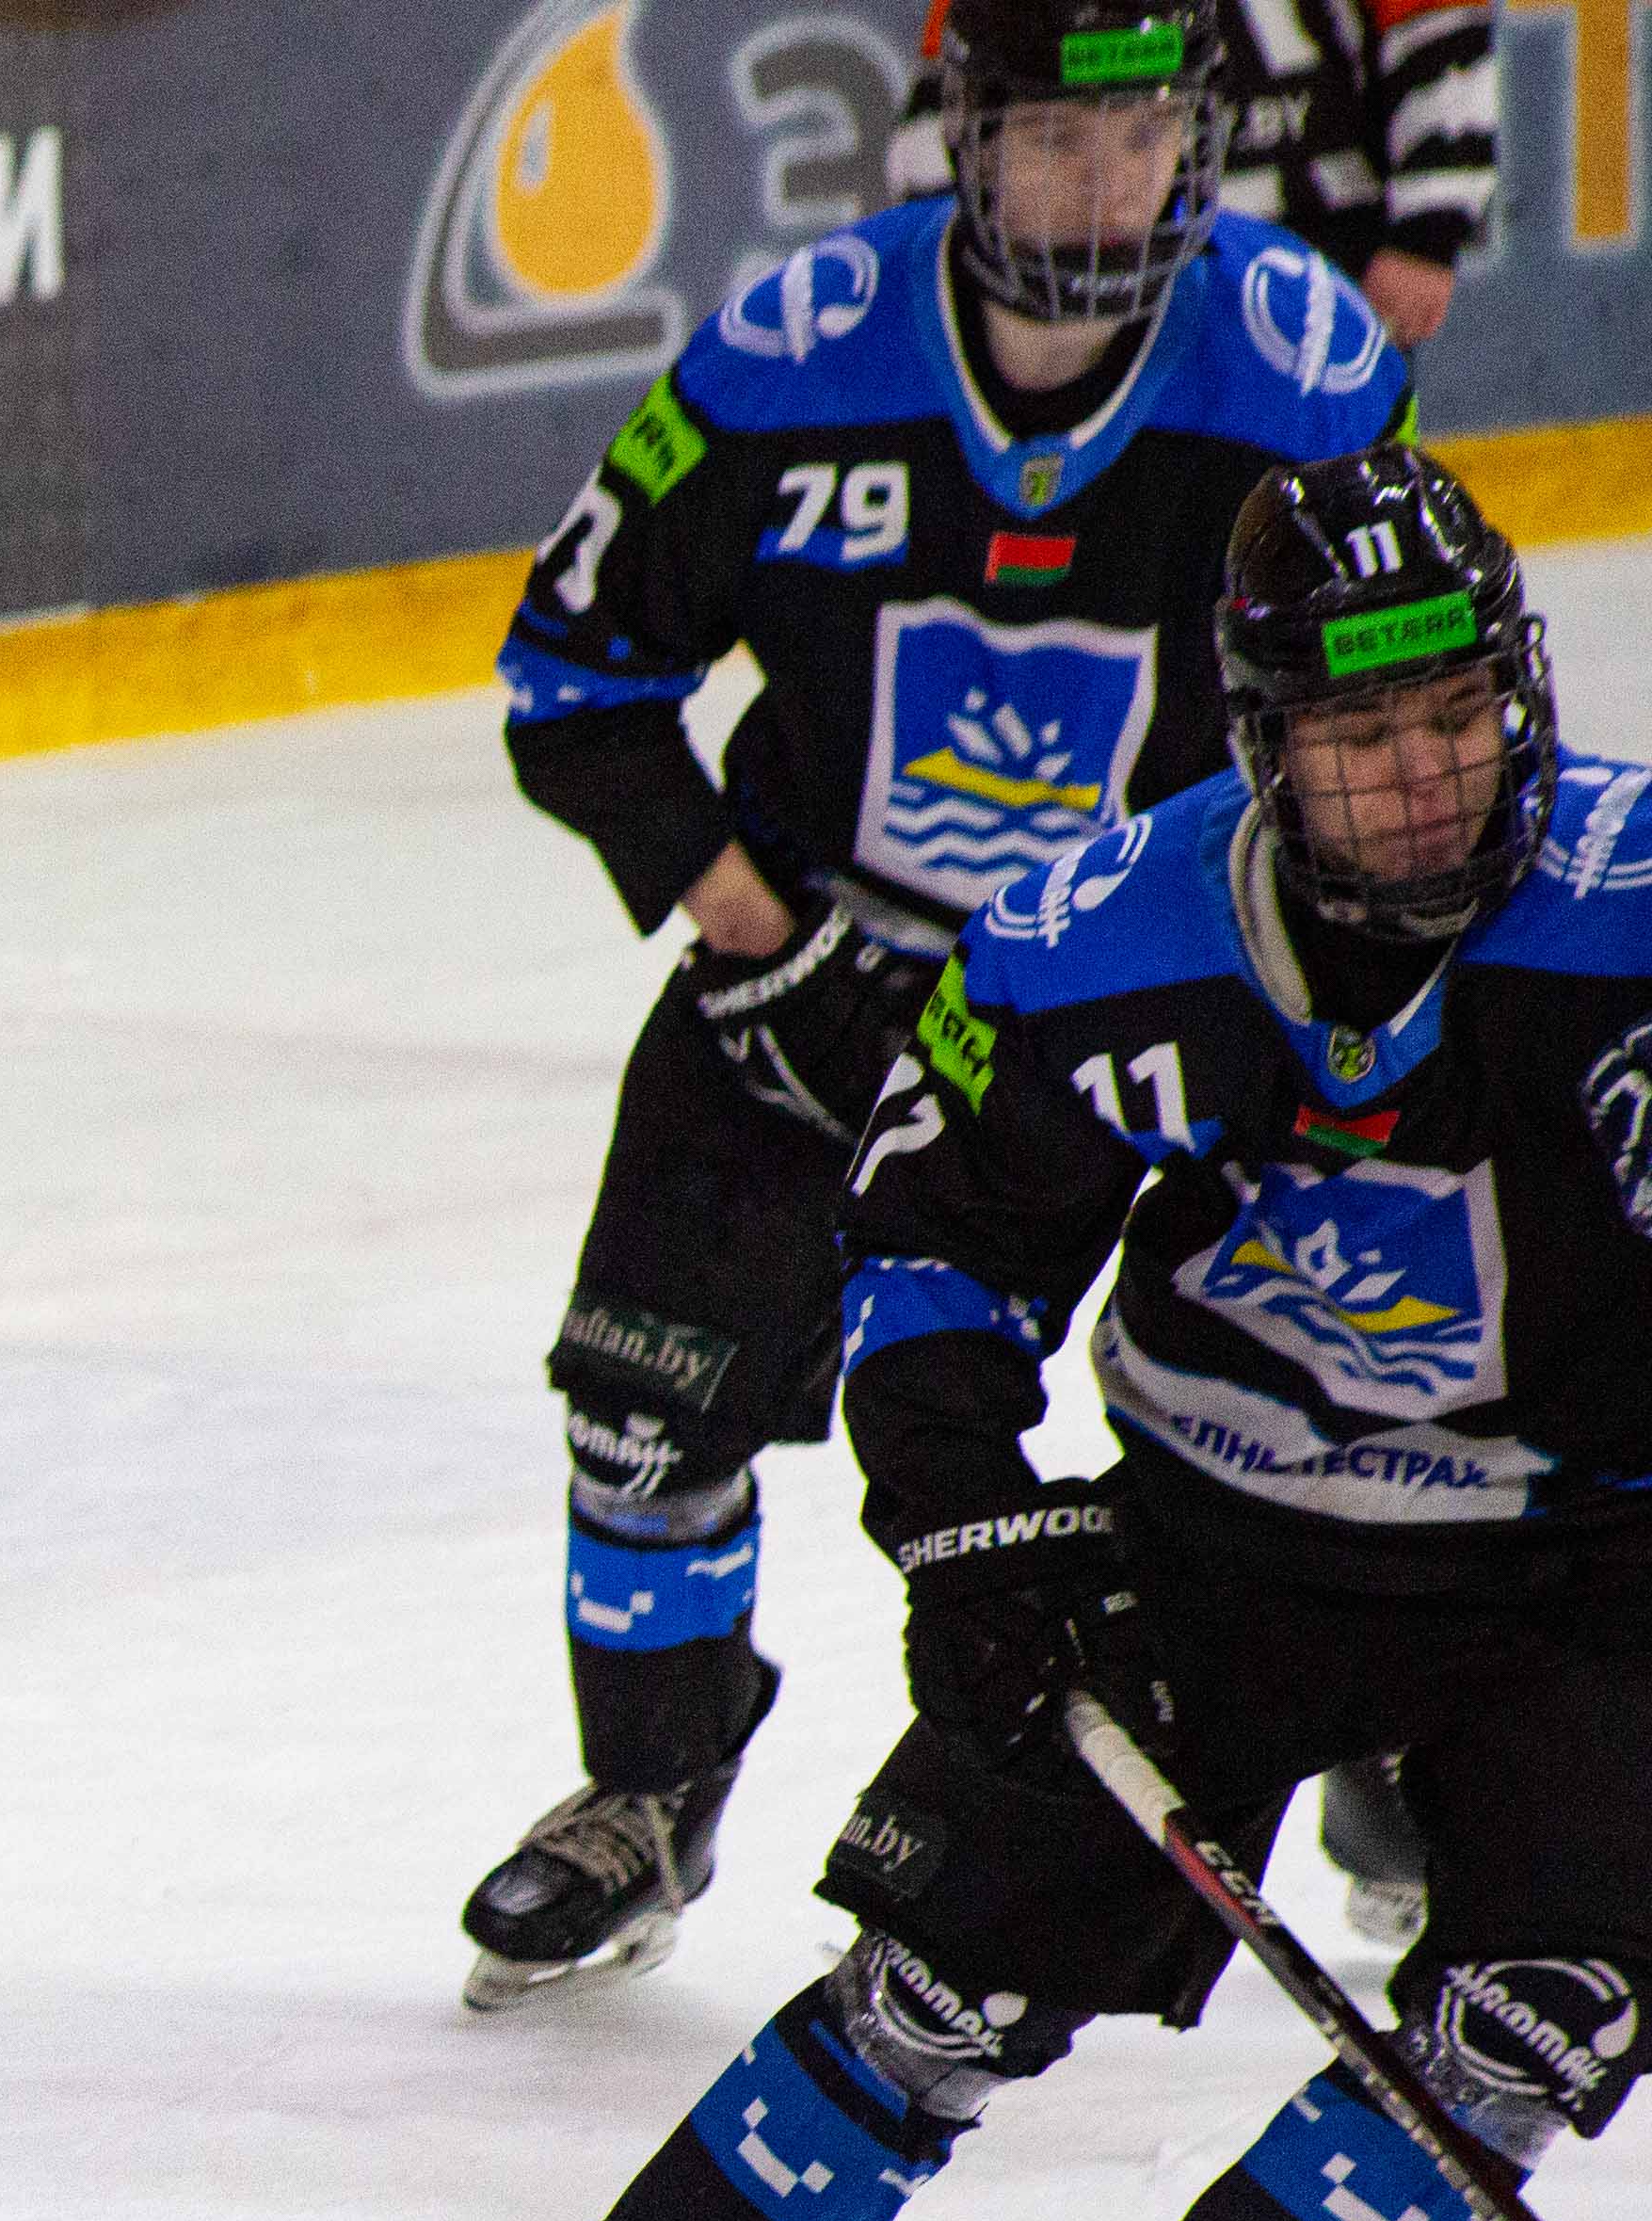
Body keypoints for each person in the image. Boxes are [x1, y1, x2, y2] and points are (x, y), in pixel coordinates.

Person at [436, 443, 1644, 2221]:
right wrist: (966, 1519)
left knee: (1534, 2013)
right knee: (937, 1996)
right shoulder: (1099, 929)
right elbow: (927, 1249)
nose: (1424, 776)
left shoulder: (1632, 913)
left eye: (1456, 717)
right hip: (1219, 1536)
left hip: (1582, 1555)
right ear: (1261, 745)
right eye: (1361, 736)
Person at [458, 0, 1411, 2011]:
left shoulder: (1302, 369)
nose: (1106, 183)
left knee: (1367, 1397)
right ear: (965, 139)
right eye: (1058, 137)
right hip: (827, 958)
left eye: (1144, 136)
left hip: (1176, 980)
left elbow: (1393, 719)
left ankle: (1403, 1766)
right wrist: (758, 940)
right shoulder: (794, 351)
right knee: (645, 1405)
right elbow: (574, 671)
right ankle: (648, 1791)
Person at [898, 0, 1499, 349]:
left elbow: (1442, 39)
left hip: (1330, 245)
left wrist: (1427, 233)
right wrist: (958, 259)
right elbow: (958, 100)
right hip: (1120, 248)